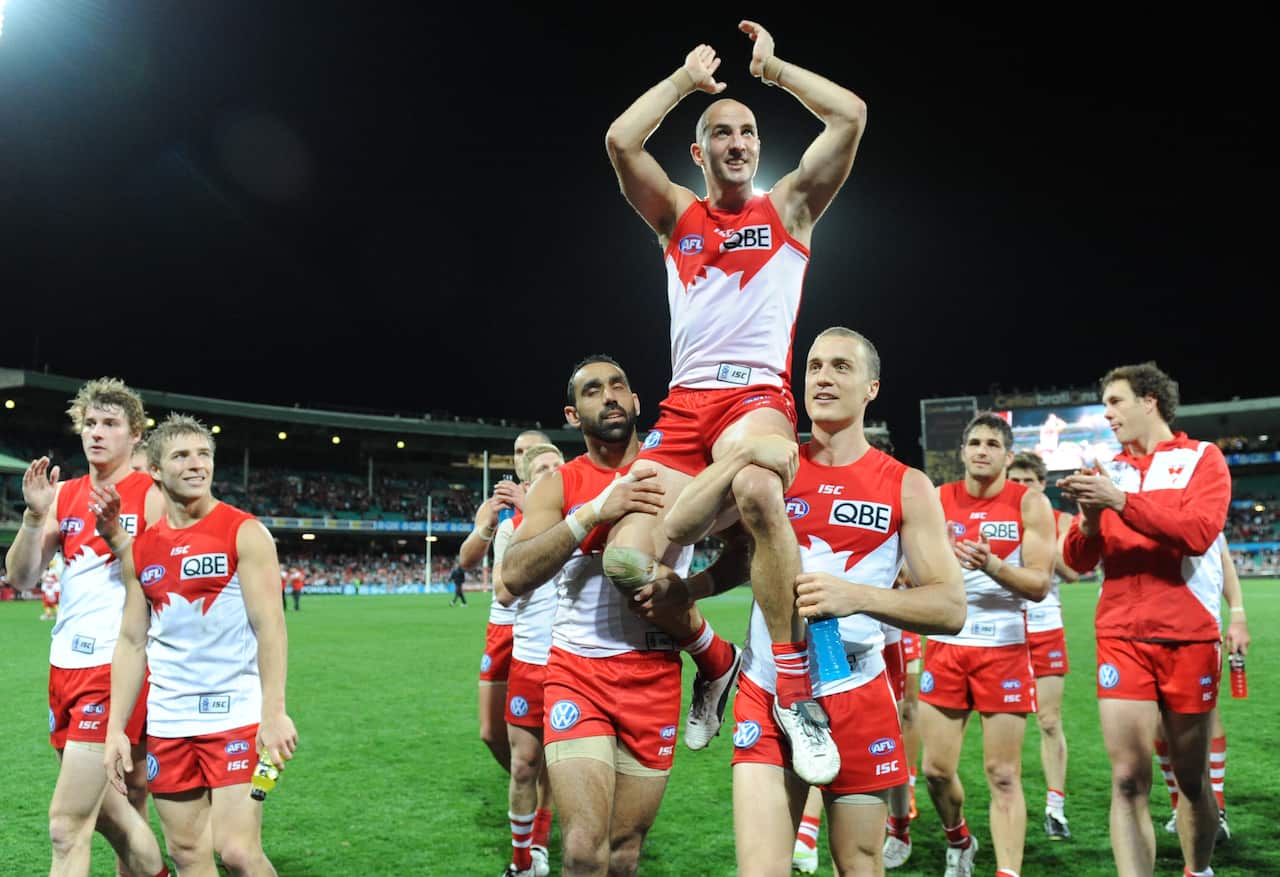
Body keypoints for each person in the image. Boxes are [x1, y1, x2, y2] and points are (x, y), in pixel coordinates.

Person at [602, 20, 867, 782]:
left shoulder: (788, 209)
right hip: (685, 409)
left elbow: (850, 114)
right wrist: (688, 82)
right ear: (700, 151)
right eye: (722, 132)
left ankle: (792, 684)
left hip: (754, 396)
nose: (738, 141)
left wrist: (776, 70)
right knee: (629, 563)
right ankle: (714, 659)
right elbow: (621, 141)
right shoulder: (677, 217)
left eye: (748, 130)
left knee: (756, 478)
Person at [655, 327, 965, 876]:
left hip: (856, 690)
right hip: (770, 688)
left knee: (859, 863)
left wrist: (859, 597)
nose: (823, 376)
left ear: (872, 387)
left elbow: (949, 608)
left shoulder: (906, 485)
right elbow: (683, 527)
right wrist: (745, 453)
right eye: (815, 366)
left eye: (841, 366)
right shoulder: (773, 469)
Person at [502, 355, 750, 877]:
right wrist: (594, 513)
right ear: (574, 415)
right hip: (578, 675)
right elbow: (514, 574)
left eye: (619, 386)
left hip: (654, 679)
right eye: (594, 390)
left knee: (624, 853)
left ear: (638, 402)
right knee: (581, 852)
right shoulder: (562, 485)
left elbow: (746, 552)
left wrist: (690, 585)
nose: (610, 396)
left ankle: (715, 662)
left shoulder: (682, 478)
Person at [102, 413, 298, 877]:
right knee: (188, 853)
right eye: (181, 455)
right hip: (169, 722)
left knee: (236, 851)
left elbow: (271, 626)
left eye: (204, 454)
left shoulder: (243, 531)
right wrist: (116, 729)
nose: (196, 465)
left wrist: (274, 711)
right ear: (154, 468)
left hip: (237, 715)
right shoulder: (141, 550)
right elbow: (132, 641)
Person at [1058, 362, 1231, 877]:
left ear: (1150, 400)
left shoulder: (1203, 458)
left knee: (1192, 779)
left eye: (1114, 402)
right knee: (1129, 778)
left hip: (1189, 638)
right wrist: (1090, 522)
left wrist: (1122, 501)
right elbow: (1078, 560)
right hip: (1120, 637)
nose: (1107, 414)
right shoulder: (1106, 468)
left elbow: (1199, 533)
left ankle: (1197, 870)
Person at [4, 377, 169, 877]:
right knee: (112, 815)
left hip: (112, 667)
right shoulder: (66, 495)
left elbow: (169, 582)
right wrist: (34, 519)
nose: (96, 433)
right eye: (90, 423)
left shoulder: (154, 497)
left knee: (66, 824)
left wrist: (123, 543)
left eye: (110, 424)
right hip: (64, 666)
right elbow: (22, 577)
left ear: (135, 434)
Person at [918, 412, 1055, 877]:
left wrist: (993, 566)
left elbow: (1039, 583)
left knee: (1003, 773)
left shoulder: (1029, 502)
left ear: (1007, 455)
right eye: (974, 442)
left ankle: (1007, 872)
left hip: (1005, 650)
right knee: (935, 771)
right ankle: (960, 838)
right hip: (946, 644)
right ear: (961, 452)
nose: (982, 450)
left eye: (992, 444)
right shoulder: (937, 500)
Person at [493, 443, 566, 877]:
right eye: (543, 469)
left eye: (559, 465)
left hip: (575, 661)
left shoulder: (588, 516)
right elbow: (504, 590)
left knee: (567, 764)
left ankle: (541, 844)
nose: (554, 472)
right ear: (527, 483)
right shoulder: (512, 529)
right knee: (524, 766)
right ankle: (523, 862)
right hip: (530, 659)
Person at [459, 429, 551, 774]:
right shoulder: (498, 504)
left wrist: (530, 506)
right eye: (518, 450)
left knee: (551, 726)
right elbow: (467, 560)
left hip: (544, 627)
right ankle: (527, 778)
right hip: (503, 625)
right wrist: (485, 526)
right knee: (490, 731)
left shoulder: (561, 497)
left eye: (531, 450)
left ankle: (540, 789)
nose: (521, 455)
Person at [1006, 451, 1080, 840]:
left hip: (1046, 628)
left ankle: (1055, 809)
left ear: (1042, 485)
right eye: (1014, 481)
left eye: (1028, 482)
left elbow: (1072, 573)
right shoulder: (994, 516)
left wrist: (1042, 535)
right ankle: (1009, 801)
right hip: (1005, 633)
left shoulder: (1060, 520)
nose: (1020, 488)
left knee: (1049, 720)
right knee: (1005, 726)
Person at [1156, 534, 1247, 844]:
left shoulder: (1199, 503)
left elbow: (1222, 559)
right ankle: (1177, 808)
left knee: (1206, 715)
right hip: (1142, 626)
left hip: (1196, 625)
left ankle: (1216, 808)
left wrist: (1237, 614)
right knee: (1157, 721)